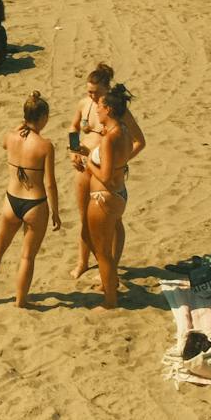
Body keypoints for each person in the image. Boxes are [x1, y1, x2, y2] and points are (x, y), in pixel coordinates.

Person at [0, 92, 60, 307]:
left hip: (11, 200)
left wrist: (22, 126)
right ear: (43, 117)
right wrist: (55, 211)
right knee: (27, 256)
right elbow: (50, 183)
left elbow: (6, 144)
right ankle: (21, 300)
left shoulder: (10, 137)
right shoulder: (45, 145)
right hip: (35, 203)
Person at [68, 64, 144, 284]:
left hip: (105, 169)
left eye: (96, 92)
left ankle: (113, 265)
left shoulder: (114, 109)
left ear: (106, 88)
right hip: (84, 165)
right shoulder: (85, 104)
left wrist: (121, 162)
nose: (91, 95)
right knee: (84, 217)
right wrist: (74, 150)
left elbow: (140, 141)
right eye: (89, 91)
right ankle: (83, 261)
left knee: (113, 220)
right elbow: (73, 127)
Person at [86, 81, 137, 308]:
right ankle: (110, 286)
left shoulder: (109, 138)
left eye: (101, 106)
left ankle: (109, 300)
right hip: (119, 193)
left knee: (103, 252)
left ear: (109, 110)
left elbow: (104, 176)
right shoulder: (123, 131)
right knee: (107, 248)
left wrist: (89, 162)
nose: (97, 108)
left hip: (103, 197)